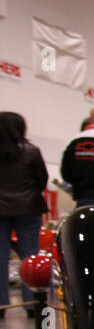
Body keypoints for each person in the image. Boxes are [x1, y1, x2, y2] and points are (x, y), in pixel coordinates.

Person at [0, 112, 49, 317]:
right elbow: (42, 180)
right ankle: (32, 304)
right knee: (30, 256)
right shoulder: (32, 151)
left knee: (0, 258)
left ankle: (1, 305)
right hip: (29, 209)